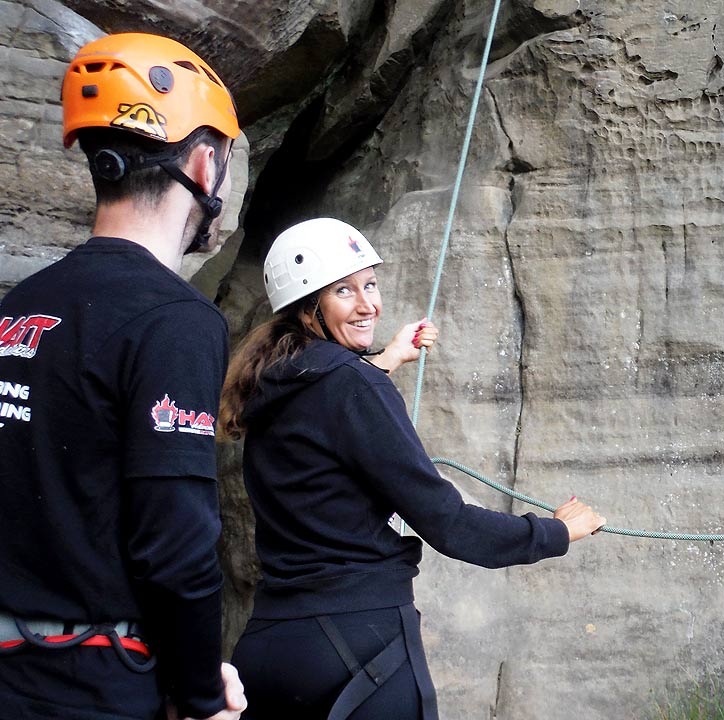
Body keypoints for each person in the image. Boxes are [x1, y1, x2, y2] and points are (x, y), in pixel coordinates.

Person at [220, 217, 607, 720]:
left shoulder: (273, 383)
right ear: (307, 306)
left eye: (370, 284)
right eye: (344, 291)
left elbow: (329, 415)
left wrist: (387, 357)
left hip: (272, 647)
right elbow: (450, 525)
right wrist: (558, 532)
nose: (369, 304)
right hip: (359, 646)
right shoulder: (355, 389)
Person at [0, 33, 247, 720]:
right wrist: (199, 692)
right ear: (204, 162)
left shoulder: (19, 307)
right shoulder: (174, 320)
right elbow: (177, 545)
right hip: (92, 687)